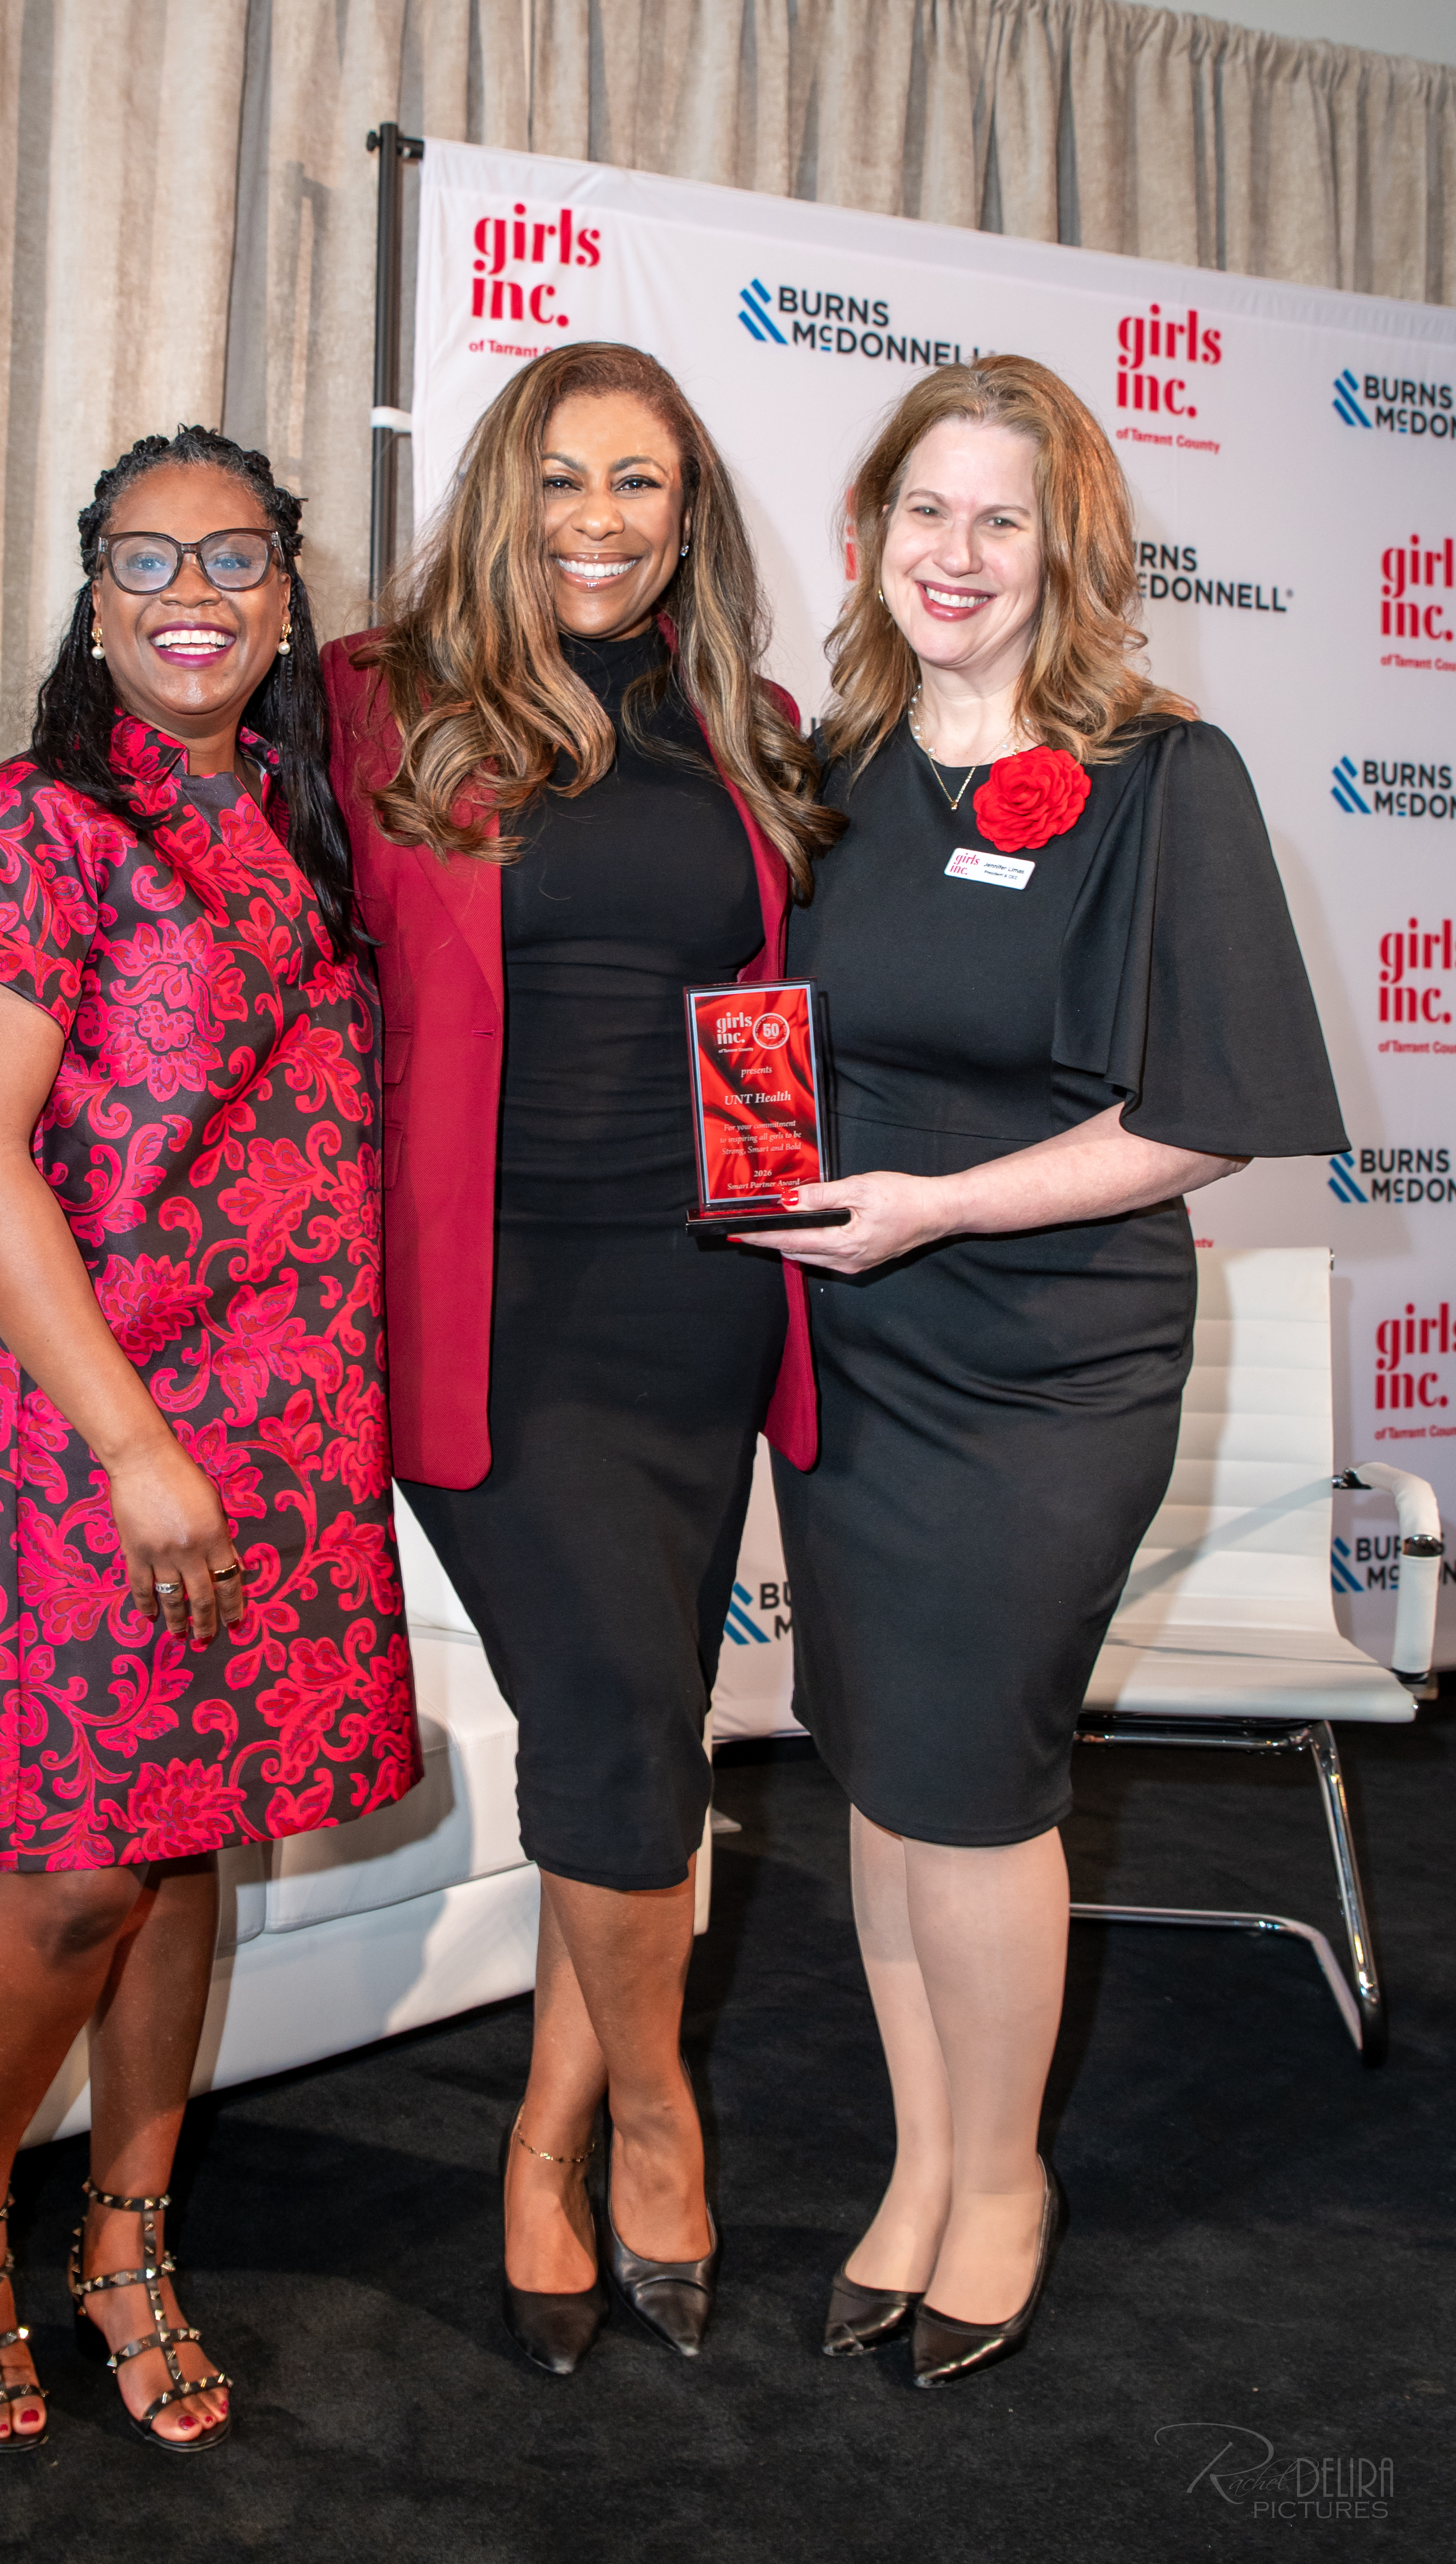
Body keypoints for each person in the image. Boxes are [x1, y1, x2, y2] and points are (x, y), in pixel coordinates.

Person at [769, 356, 1347, 2388]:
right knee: (874, 1760)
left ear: (1063, 550)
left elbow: (1203, 1116)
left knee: (979, 1774)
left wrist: (936, 1205)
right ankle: (920, 2159)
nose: (957, 554)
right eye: (926, 510)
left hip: (1045, 1355)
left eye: (1000, 519)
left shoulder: (1159, 775)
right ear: (869, 534)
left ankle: (1004, 2181)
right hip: (844, 1339)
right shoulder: (823, 761)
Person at [0, 426, 417, 2453]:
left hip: (283, 1403)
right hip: (83, 1407)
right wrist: (130, 1440)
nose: (189, 588)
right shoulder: (35, 824)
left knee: (196, 1828)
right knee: (84, 1861)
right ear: (93, 592)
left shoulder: (306, 826)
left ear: (287, 593)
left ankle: (126, 2238)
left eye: (234, 554)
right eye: (144, 555)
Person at [323, 344, 840, 2375]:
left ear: (688, 509)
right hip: (485, 1300)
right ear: (498, 493)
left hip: (694, 1291)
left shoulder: (756, 729)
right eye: (560, 478)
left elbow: (784, 1013)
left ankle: (543, 2135)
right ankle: (652, 2118)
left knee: (620, 1734)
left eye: (640, 482)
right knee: (622, 1705)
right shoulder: (374, 700)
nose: (598, 520)